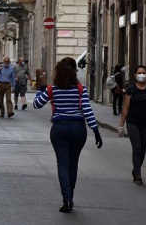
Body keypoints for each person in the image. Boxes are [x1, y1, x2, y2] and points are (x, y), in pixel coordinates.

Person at [33, 57, 102, 213]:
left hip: (60, 129)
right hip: (78, 129)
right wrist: (95, 130)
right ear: (74, 71)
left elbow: (37, 104)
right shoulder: (80, 88)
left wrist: (40, 91)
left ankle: (67, 199)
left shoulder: (52, 88)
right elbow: (87, 110)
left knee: (62, 164)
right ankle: (70, 195)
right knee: (73, 164)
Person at [118, 65, 146, 185]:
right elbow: (126, 108)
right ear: (135, 75)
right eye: (139, 73)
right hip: (132, 122)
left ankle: (135, 169)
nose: (141, 75)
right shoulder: (131, 90)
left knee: (143, 150)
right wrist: (121, 124)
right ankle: (138, 175)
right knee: (136, 148)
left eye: (143, 72)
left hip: (145, 123)